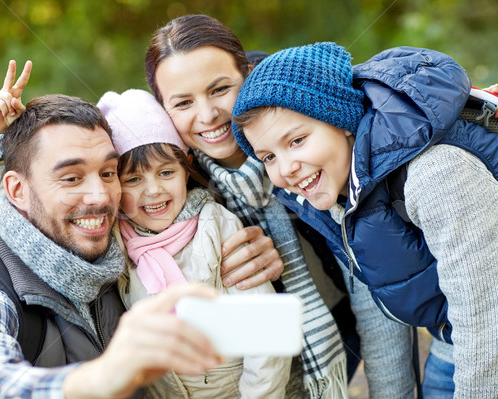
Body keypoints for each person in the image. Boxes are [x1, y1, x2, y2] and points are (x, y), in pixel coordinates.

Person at [144, 14, 416, 398]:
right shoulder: (167, 178)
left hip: (337, 328)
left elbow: (372, 292)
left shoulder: (308, 141)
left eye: (220, 89)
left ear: (249, 74)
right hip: (258, 364)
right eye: (183, 102)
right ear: (163, 112)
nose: (207, 116)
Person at [0, 92, 225, 398]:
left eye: (108, 172)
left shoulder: (124, 259)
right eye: (72, 178)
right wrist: (103, 376)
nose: (101, 196)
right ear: (17, 191)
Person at [231, 42, 498, 398]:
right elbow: (381, 310)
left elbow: (486, 321)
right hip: (456, 336)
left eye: (297, 140)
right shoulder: (334, 197)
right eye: (267, 157)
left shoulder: (435, 175)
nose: (286, 169)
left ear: (340, 121)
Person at [97, 88, 292, 398]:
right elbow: (34, 220)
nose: (153, 190)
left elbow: (265, 336)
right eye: (133, 179)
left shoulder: (215, 225)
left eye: (165, 172)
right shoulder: (117, 238)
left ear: (186, 167)